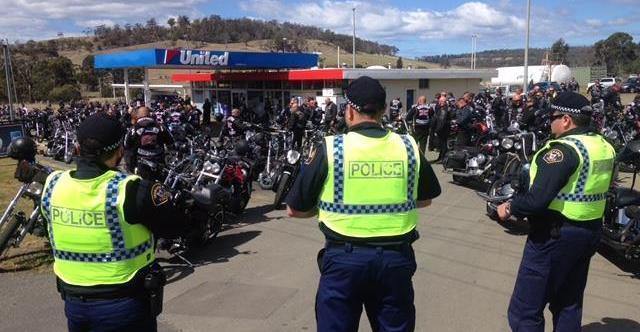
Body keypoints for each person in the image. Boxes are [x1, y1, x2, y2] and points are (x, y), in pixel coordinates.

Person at [285, 76, 441, 332]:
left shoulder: (332, 148)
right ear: (383, 110)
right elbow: (425, 199)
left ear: (349, 110)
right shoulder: (408, 146)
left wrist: (322, 209)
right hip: (395, 260)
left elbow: (294, 208)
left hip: (343, 262)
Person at [40, 113, 186, 331]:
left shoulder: (53, 185)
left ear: (78, 149)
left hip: (74, 303)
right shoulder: (129, 189)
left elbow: (48, 227)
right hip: (124, 303)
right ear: (119, 152)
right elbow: (174, 227)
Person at [496, 92, 615, 332]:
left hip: (555, 235)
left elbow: (536, 201)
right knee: (568, 303)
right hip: (589, 232)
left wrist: (509, 207)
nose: (550, 121)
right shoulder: (602, 145)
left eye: (553, 116)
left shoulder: (562, 151)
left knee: (524, 311)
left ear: (567, 120)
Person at [125, 107, 173, 181]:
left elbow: (126, 145)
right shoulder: (160, 127)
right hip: (159, 163)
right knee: (160, 187)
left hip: (141, 165)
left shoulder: (133, 129)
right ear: (149, 114)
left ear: (138, 115)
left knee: (143, 188)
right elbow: (171, 142)